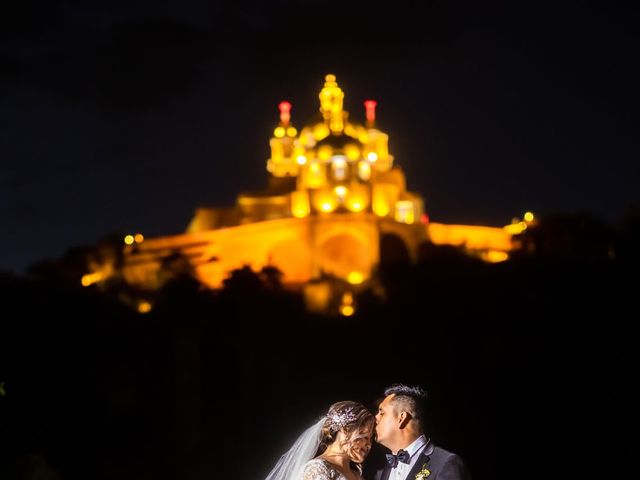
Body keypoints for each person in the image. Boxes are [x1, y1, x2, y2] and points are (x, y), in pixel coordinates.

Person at [374, 384, 470, 480]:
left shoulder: (445, 463)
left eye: (382, 413)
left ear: (401, 418)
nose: (375, 418)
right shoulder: (381, 472)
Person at [264, 400, 375, 480]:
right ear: (346, 430)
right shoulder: (318, 469)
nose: (368, 444)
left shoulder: (356, 475)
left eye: (370, 438)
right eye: (364, 436)